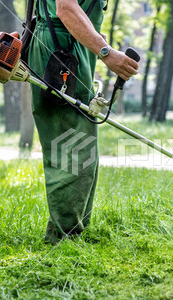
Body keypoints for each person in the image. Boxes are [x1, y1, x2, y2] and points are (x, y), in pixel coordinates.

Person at [28, 0, 139, 244]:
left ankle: (72, 231)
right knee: (72, 145)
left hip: (70, 46)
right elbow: (65, 8)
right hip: (60, 49)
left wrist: (92, 38)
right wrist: (107, 53)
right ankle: (64, 239)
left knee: (82, 144)